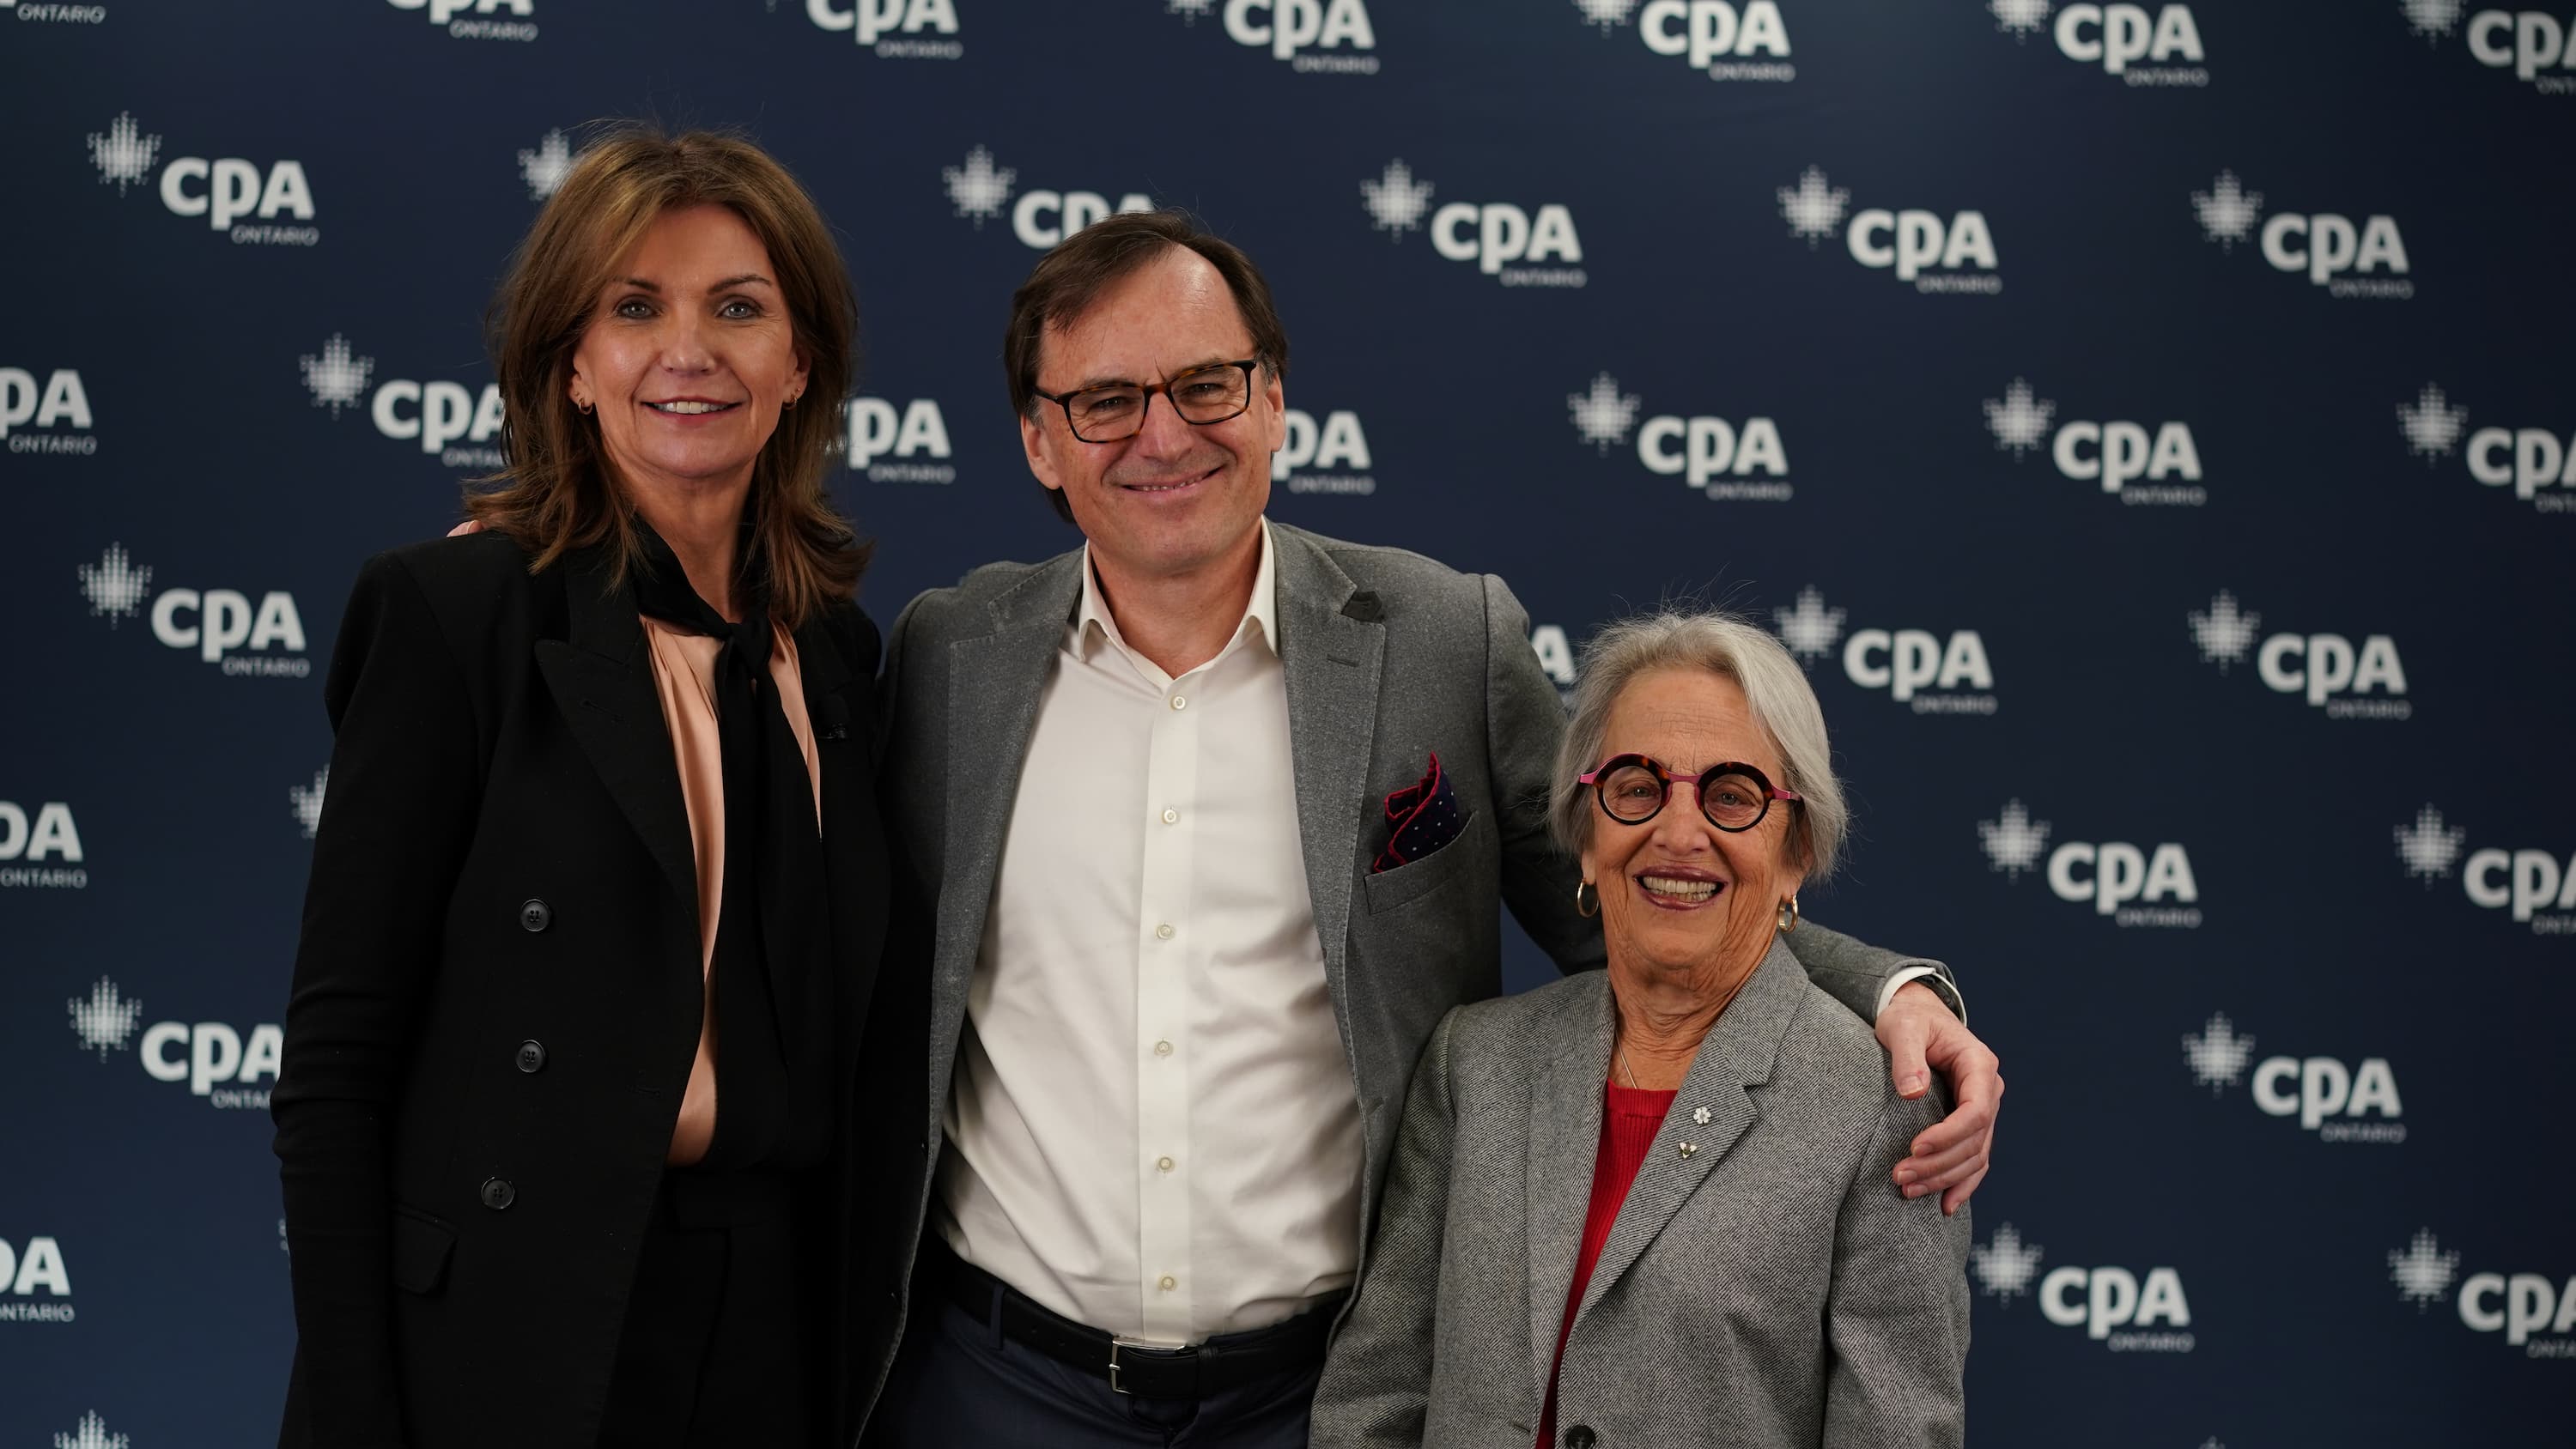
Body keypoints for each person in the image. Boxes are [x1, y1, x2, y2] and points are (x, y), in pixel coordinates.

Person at [856, 209, 1999, 1447]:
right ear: (1039, 437)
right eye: (1108, 401)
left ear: (1275, 399)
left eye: (1205, 384)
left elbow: (1625, 879)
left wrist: (1884, 994)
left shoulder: (1442, 639)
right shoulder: (945, 659)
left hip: (1323, 1390)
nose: (1165, 434)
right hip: (996, 1385)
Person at [271, 126, 891, 1448]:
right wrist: (349, 1409)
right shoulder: (457, 616)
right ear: (572, 365)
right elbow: (333, 1067)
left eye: (739, 307)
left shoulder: (836, 653)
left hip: (779, 1319)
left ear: (800, 367)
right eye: (633, 307)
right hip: (514, 1318)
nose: (690, 348)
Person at [1308, 610, 1971, 1449]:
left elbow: (1896, 1429)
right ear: (1586, 835)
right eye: (1636, 786)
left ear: (1796, 849)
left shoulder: (1881, 1108)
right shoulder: (1473, 1063)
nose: (1678, 831)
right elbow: (1376, 1394)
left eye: (1733, 795)